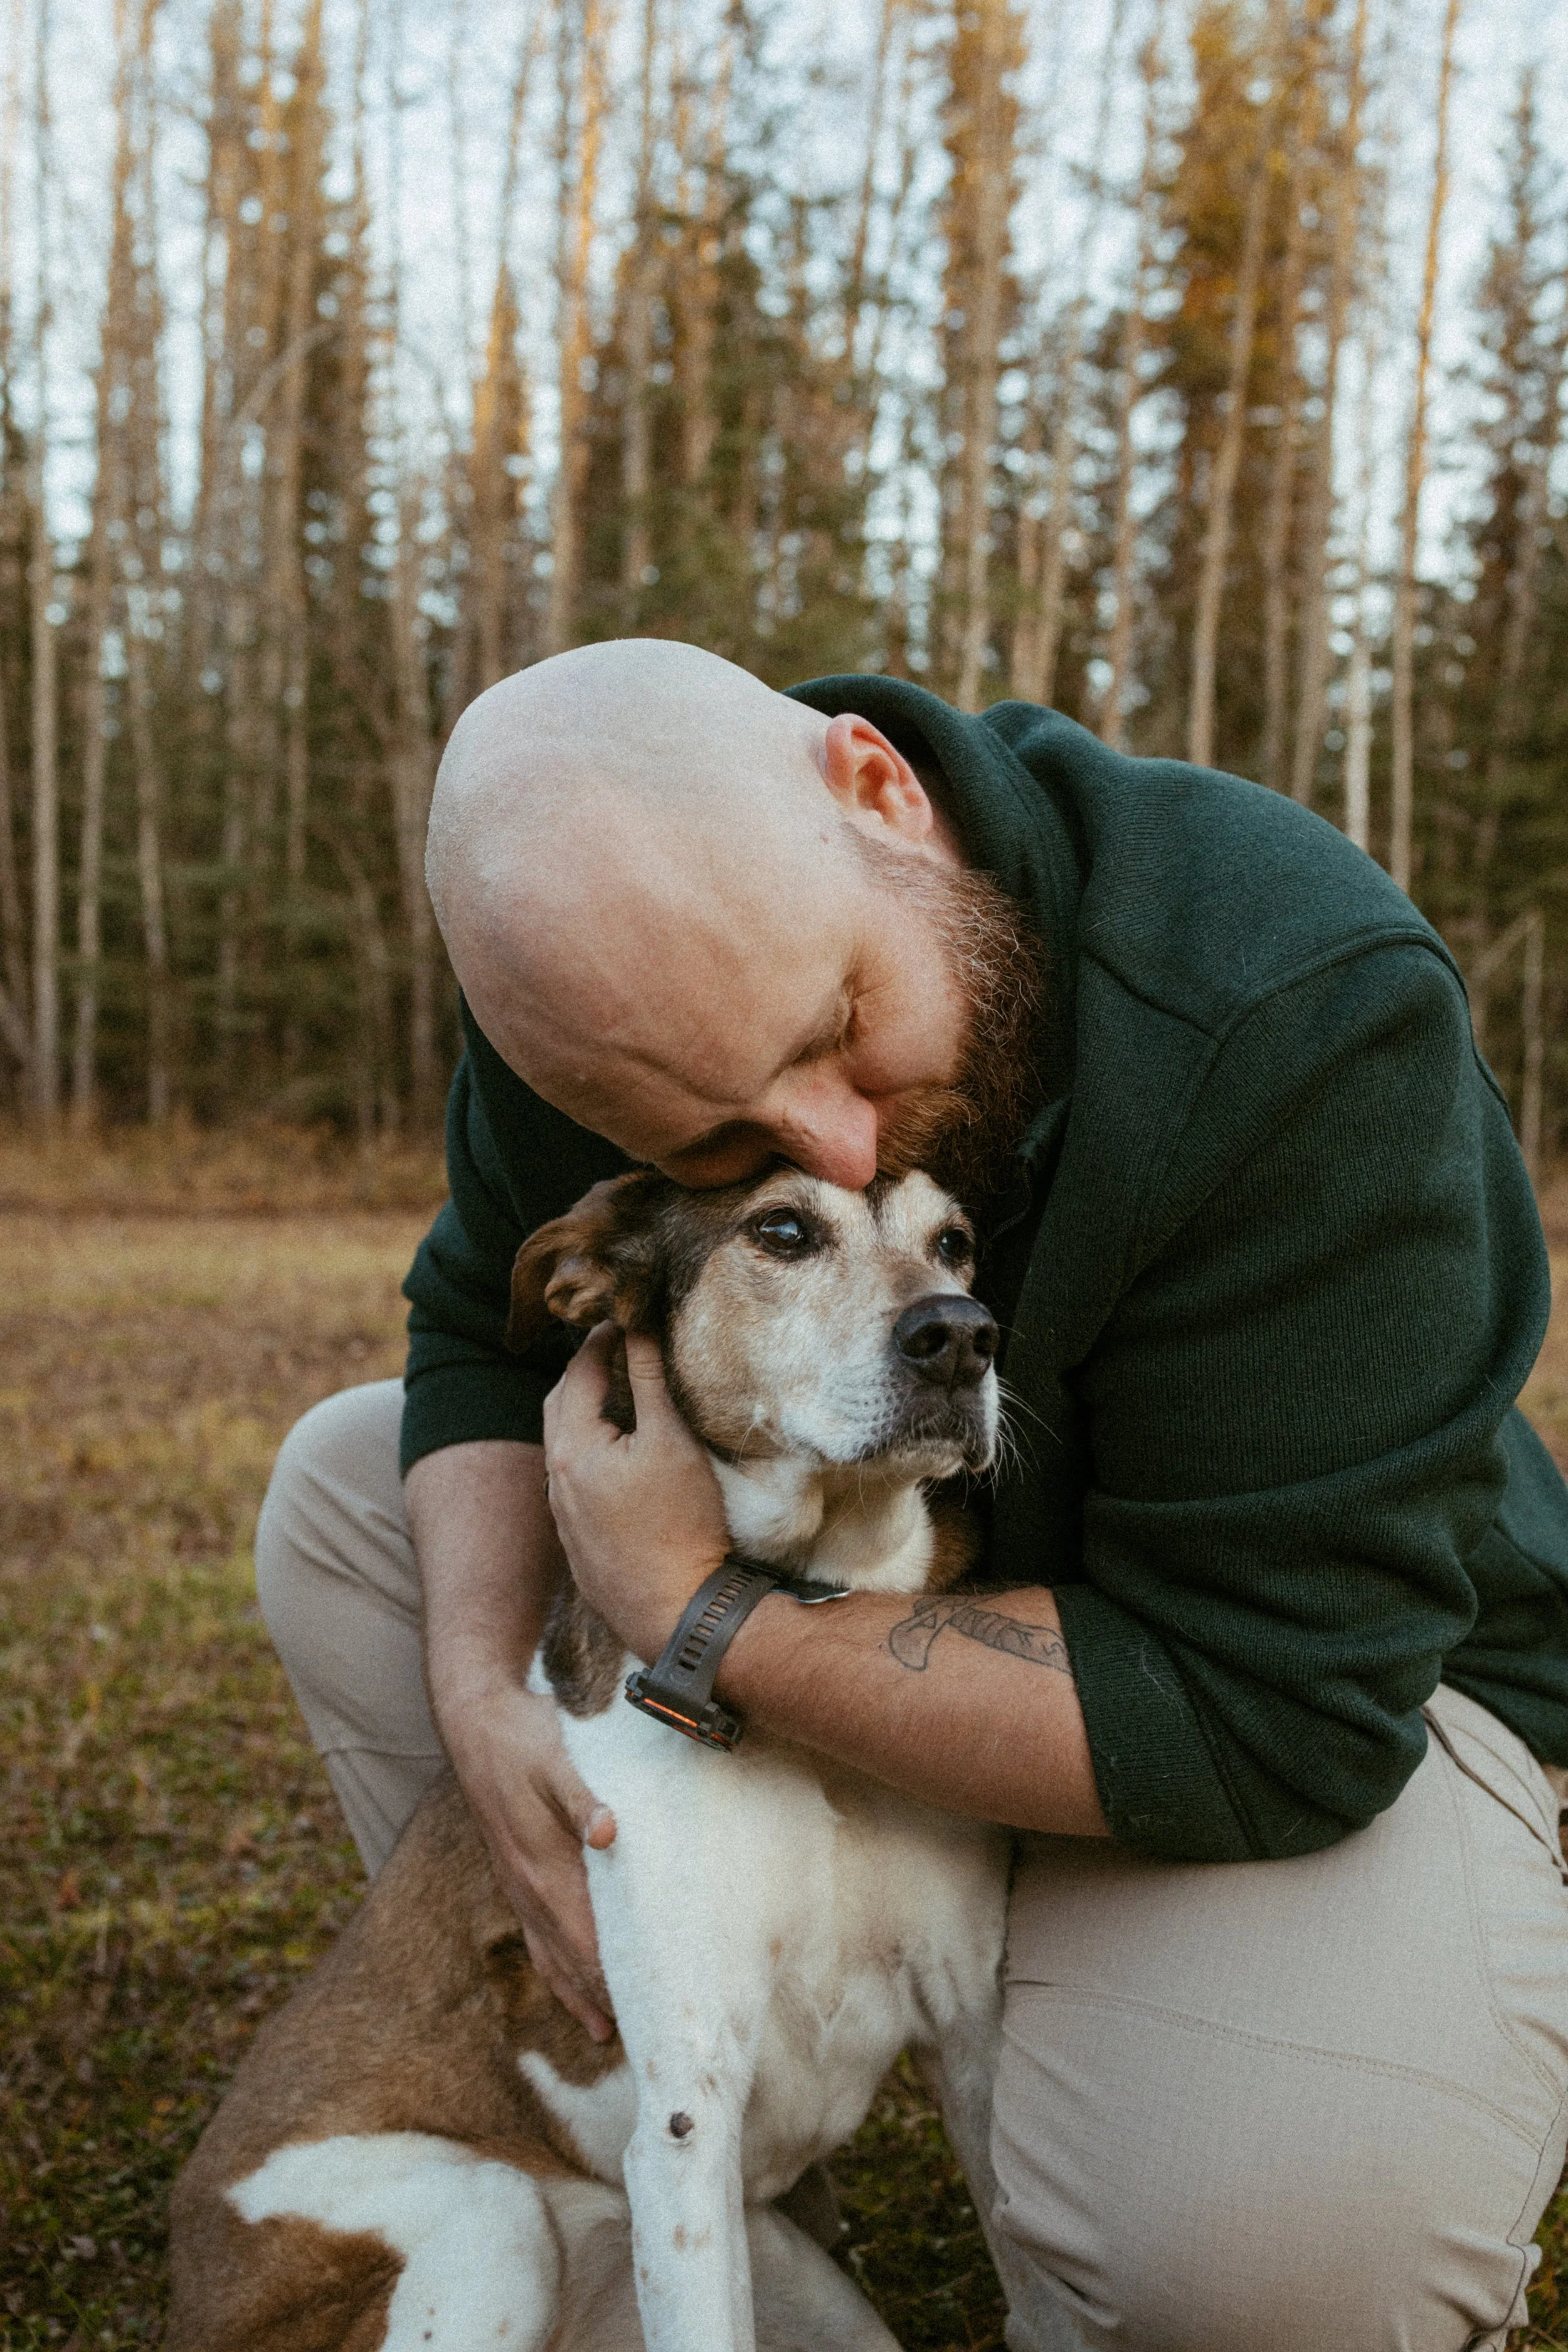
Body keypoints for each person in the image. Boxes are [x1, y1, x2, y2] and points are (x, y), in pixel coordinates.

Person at [257, 637, 1568, 2352]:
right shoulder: (617, 983)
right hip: (895, 1580)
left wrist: (695, 1614)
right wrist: (478, 1696)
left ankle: (1156, 2039)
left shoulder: (1293, 1004)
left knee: (1270, 2261)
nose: (840, 1144)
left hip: (1305, 1682)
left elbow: (1273, 1706)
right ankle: (665, 2094)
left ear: (881, 795)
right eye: (735, 1154)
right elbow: (472, 1336)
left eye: (843, 1034)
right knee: (351, 1493)